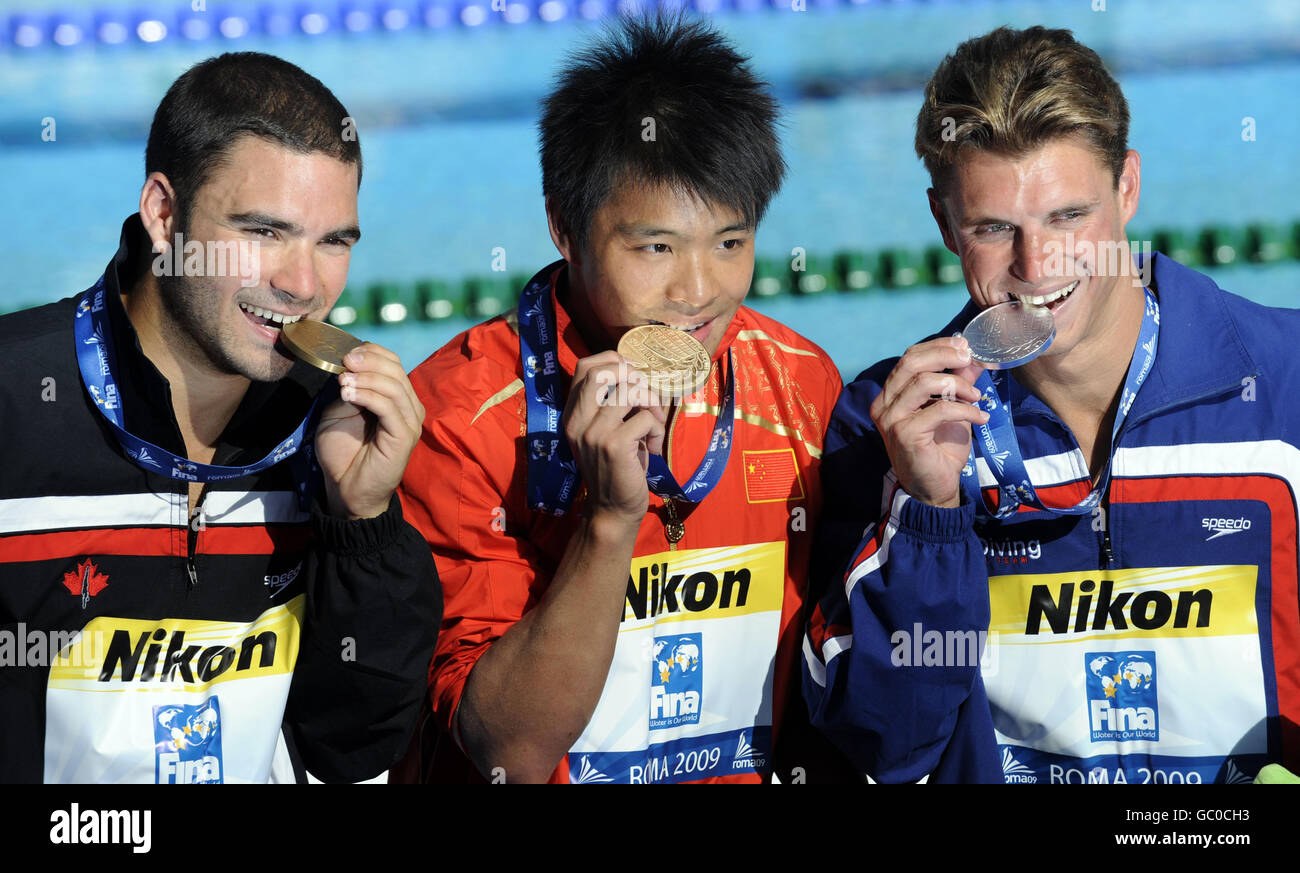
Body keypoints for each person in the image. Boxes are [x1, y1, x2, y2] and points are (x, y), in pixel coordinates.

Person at [803, 25, 1300, 784]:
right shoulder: (885, 426)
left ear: (1127, 188)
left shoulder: (1284, 385)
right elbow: (888, 748)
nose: (1036, 267)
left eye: (1069, 217)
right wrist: (929, 513)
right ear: (943, 225)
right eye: (994, 228)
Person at [398, 15, 847, 783]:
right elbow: (507, 748)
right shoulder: (460, 417)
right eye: (657, 247)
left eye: (730, 242)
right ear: (564, 226)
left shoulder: (799, 386)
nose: (700, 291)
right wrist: (607, 526)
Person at [0, 52, 441, 783]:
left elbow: (354, 745)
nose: (303, 285)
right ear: (164, 214)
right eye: (264, 231)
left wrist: (364, 522)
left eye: (334, 240)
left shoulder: (333, 434)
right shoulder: (17, 408)